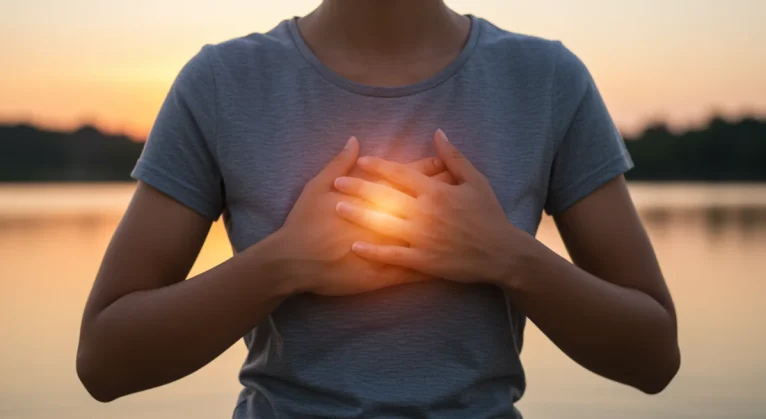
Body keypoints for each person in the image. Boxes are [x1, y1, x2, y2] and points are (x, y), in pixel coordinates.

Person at [76, 1, 681, 417]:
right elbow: (105, 361)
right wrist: (287, 263)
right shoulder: (223, 83)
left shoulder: (544, 81)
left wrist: (507, 256)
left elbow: (653, 356)